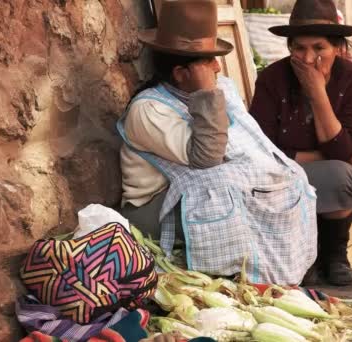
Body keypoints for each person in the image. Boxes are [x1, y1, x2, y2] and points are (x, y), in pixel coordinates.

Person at [117, 0, 317, 285]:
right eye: (207, 61)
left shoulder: (218, 88)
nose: (218, 66)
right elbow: (207, 156)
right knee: (228, 194)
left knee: (287, 177)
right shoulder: (148, 110)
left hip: (190, 191)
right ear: (181, 73)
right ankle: (237, 277)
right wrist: (206, 92)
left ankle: (275, 272)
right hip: (153, 210)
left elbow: (245, 145)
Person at [249, 0, 352, 286]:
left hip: (345, 183)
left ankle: (334, 256)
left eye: (319, 48)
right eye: (299, 48)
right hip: (284, 178)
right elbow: (261, 148)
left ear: (338, 48)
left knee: (337, 175)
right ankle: (308, 256)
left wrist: (317, 91)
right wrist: (323, 157)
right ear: (290, 48)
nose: (308, 59)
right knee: (313, 172)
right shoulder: (272, 79)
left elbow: (345, 149)